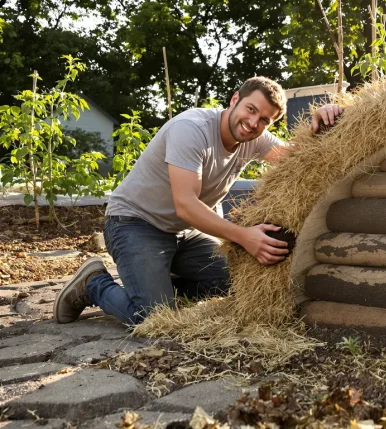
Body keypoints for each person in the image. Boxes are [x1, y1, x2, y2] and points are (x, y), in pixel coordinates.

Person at [53, 76, 344, 325]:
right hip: (134, 223)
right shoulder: (192, 129)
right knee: (153, 317)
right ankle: (93, 283)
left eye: (264, 120)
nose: (253, 123)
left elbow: (301, 157)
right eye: (251, 109)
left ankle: (156, 285)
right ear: (234, 100)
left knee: (238, 283)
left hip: (184, 233)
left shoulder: (255, 139)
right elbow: (186, 205)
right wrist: (245, 236)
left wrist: (324, 117)